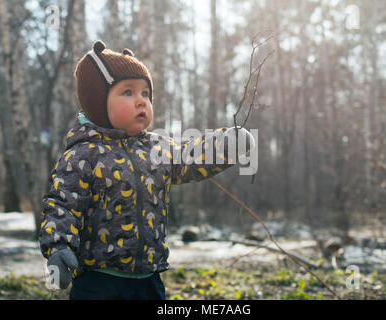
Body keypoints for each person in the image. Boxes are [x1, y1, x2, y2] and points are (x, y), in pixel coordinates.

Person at [39, 40, 254, 300]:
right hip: (99, 280)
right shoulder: (84, 154)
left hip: (149, 277)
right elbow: (62, 206)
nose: (141, 101)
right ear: (97, 102)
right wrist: (59, 247)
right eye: (127, 92)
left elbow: (189, 157)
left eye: (145, 94)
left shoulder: (155, 147)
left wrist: (226, 144)